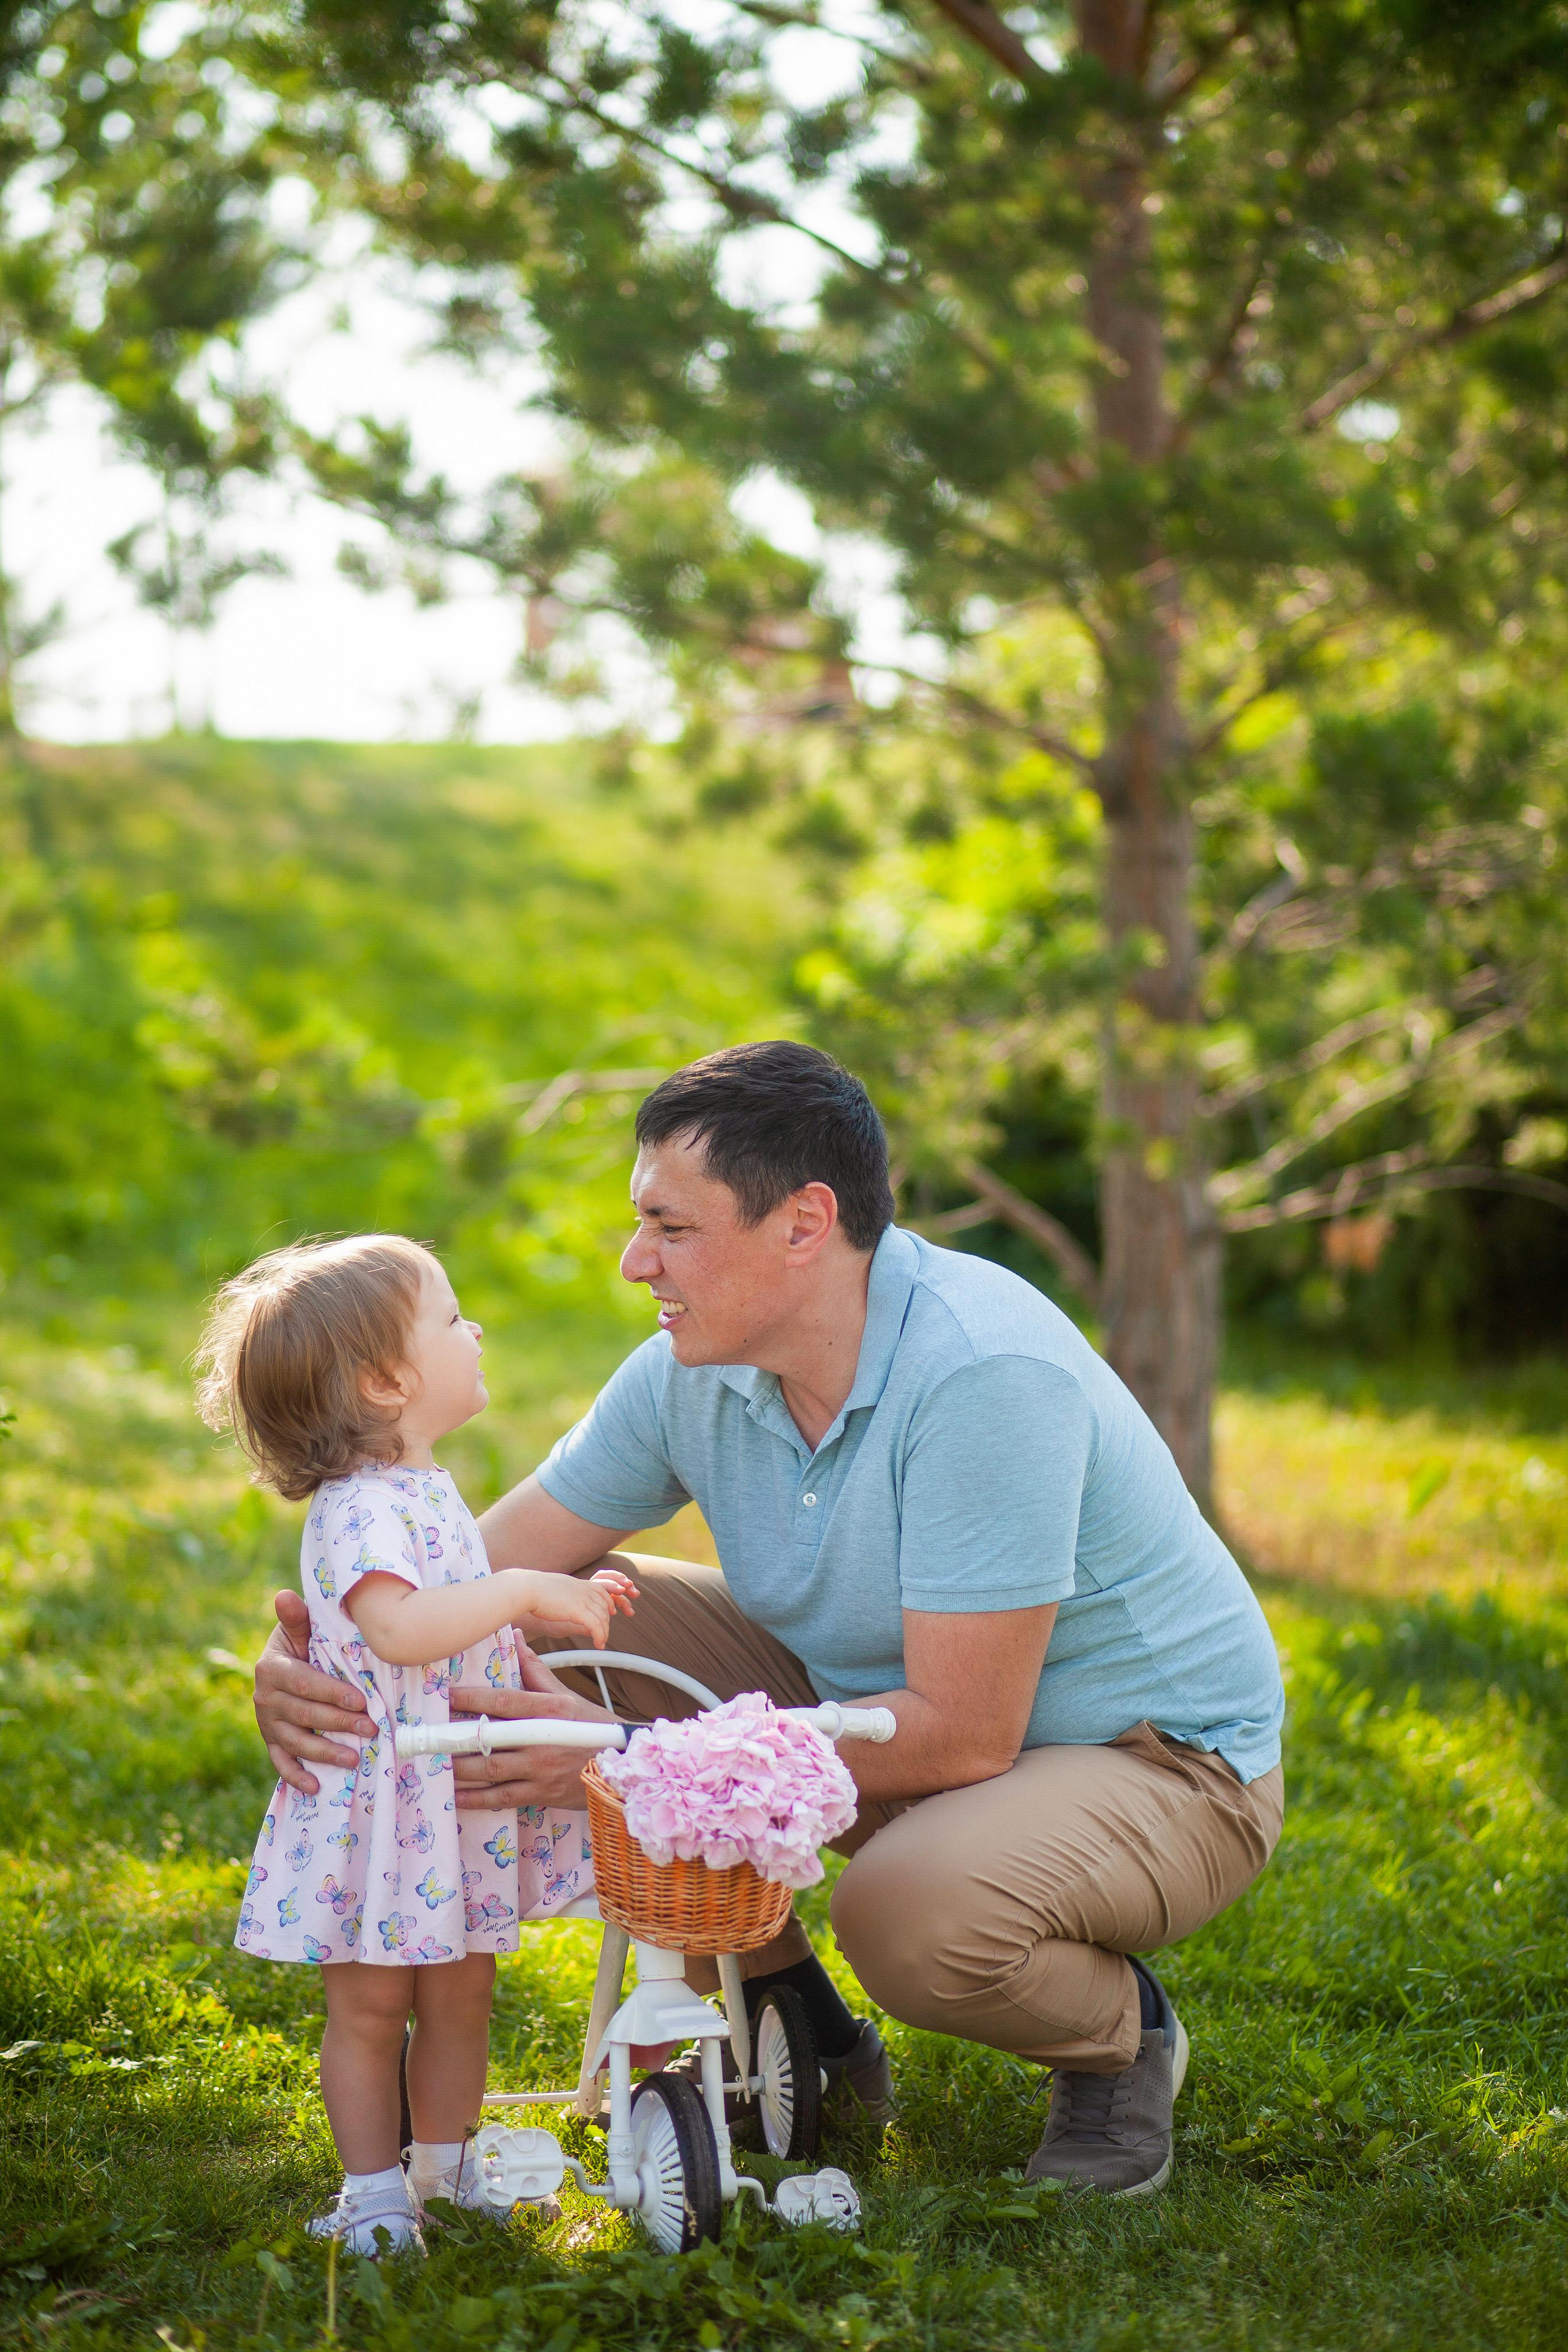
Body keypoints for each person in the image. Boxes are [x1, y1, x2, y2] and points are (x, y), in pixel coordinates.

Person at [254, 1042, 1286, 2197]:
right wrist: (303, 1662)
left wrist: (628, 1764)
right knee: (543, 1632)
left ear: (805, 1224)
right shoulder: (691, 1368)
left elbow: (964, 1736)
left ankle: (1121, 2037)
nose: (634, 1262)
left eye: (672, 1227)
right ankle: (794, 2013)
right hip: (880, 1708)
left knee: (909, 1913)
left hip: (1143, 1761)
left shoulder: (983, 1374)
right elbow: (469, 1578)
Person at [200, 1234, 634, 2253]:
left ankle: (441, 2169)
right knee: (368, 2006)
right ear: (387, 1381)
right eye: (450, 1317)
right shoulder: (358, 1511)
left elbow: (452, 1622)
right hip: (379, 1801)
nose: (473, 1329)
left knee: (462, 1994)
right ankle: (371, 2194)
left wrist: (526, 1639)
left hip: (447, 1791)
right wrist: (525, 1588)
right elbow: (397, 1628)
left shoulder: (426, 1491)